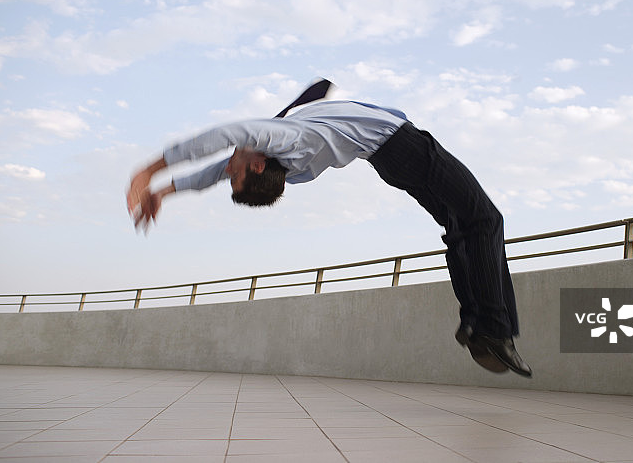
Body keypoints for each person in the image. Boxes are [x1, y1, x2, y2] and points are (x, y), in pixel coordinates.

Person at [126, 84, 532, 377]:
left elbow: (213, 171)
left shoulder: (278, 155)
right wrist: (149, 171)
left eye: (230, 173)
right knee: (485, 220)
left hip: (389, 160)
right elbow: (227, 136)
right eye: (235, 172)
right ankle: (495, 328)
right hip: (405, 146)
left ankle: (475, 322)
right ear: (257, 166)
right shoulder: (287, 139)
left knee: (460, 226)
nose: (227, 167)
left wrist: (164, 191)